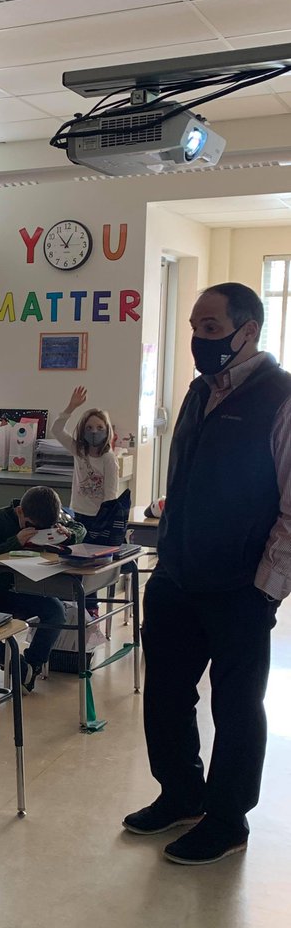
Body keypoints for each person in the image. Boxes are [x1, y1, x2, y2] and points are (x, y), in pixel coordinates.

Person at [123, 282, 291, 865]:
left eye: (212, 329)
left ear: (249, 331)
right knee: (166, 696)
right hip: (177, 576)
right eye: (195, 327)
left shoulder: (281, 398)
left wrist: (264, 590)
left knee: (236, 706)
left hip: (239, 588)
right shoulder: (197, 392)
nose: (199, 339)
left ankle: (227, 818)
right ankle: (180, 793)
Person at [0, 487, 79, 692]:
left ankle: (31, 667)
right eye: (31, 526)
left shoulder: (51, 516)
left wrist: (69, 534)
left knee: (56, 612)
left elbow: (79, 527)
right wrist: (15, 541)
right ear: (20, 512)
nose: (37, 532)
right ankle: (12, 660)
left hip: (25, 588)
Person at [51, 387, 119, 531]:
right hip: (78, 514)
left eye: (100, 428)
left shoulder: (108, 458)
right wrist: (71, 407)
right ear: (82, 430)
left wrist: (105, 518)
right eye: (89, 428)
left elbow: (110, 493)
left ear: (107, 431)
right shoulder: (79, 451)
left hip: (99, 516)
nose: (94, 432)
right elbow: (56, 430)